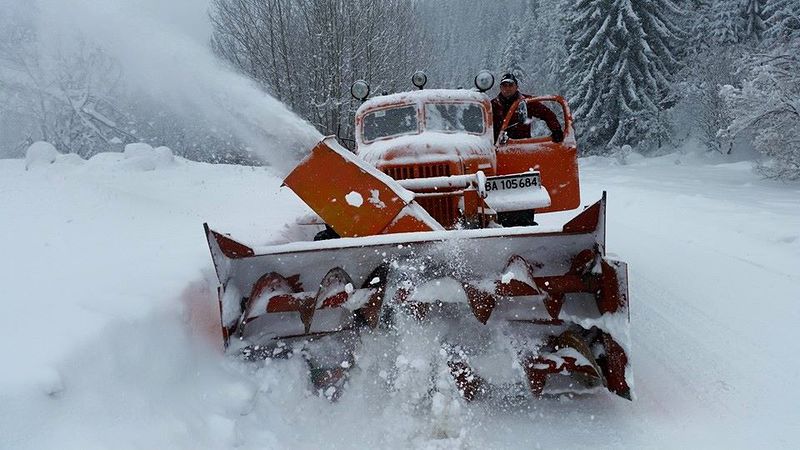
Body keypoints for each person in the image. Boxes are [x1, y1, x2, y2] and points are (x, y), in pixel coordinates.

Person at [491, 73, 564, 143]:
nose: (507, 88)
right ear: (500, 88)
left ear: (516, 87)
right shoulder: (493, 105)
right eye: (504, 85)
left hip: (523, 146)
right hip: (497, 147)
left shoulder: (527, 102)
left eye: (510, 85)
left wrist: (556, 130)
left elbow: (546, 113)